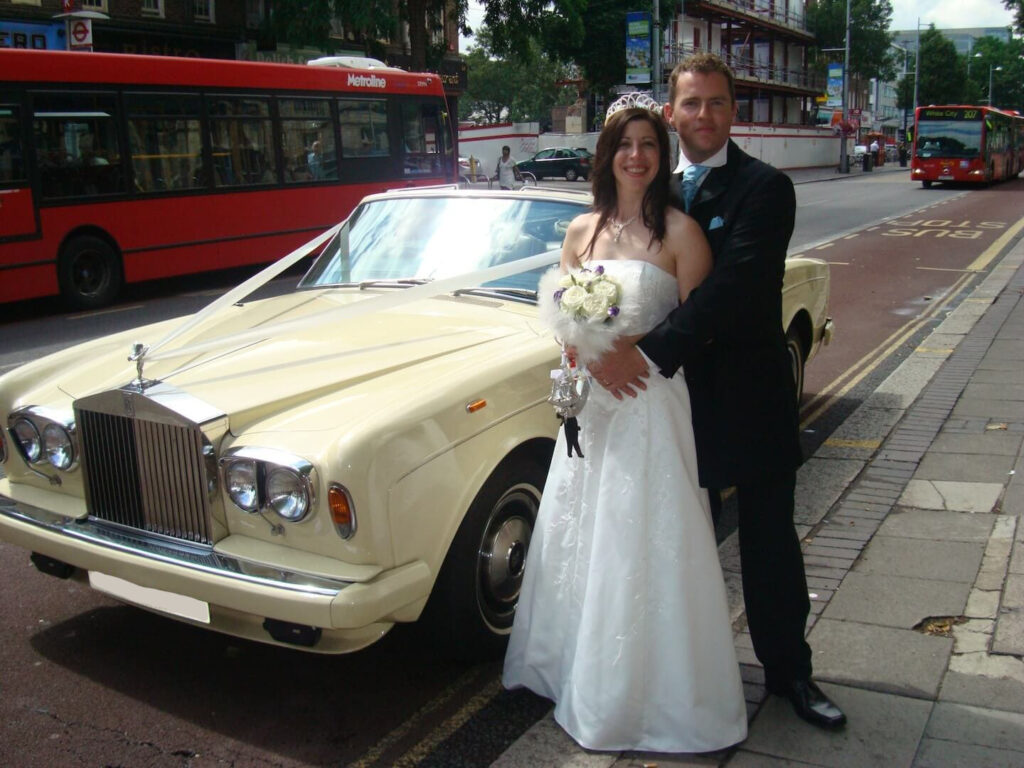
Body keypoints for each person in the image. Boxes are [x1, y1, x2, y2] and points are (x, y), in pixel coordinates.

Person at [589, 53, 847, 729]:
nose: (704, 115)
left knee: (767, 546)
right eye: (691, 103)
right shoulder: (649, 186)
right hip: (665, 408)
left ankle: (791, 674)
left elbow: (737, 289)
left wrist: (642, 356)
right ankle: (681, 674)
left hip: (743, 399)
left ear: (734, 112)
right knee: (668, 546)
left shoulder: (765, 189)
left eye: (717, 103)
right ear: (672, 112)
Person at [502, 97, 748, 753]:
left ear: (661, 156)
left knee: (641, 539)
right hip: (594, 407)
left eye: (647, 144)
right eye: (623, 144)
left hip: (649, 402)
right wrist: (583, 353)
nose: (635, 155)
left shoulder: (681, 233)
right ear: (606, 155)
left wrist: (633, 352)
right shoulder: (581, 231)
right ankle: (573, 670)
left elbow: (700, 330)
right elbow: (564, 317)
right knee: (584, 532)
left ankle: (642, 691)